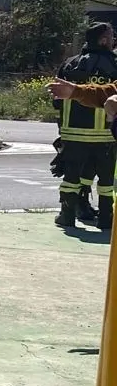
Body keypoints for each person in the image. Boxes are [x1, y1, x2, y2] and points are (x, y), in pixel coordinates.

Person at [44, 22, 117, 230]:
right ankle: (106, 219)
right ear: (103, 40)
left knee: (71, 177)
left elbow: (57, 99)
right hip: (105, 135)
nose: (114, 40)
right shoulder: (115, 64)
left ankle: (67, 215)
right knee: (105, 181)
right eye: (111, 36)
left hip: (73, 132)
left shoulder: (71, 64)